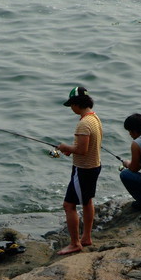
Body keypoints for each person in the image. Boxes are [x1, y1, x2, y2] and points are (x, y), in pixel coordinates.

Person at [56, 86, 102, 255]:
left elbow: (82, 150)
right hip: (94, 165)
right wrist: (71, 149)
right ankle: (86, 237)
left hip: (83, 170)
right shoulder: (94, 118)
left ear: (77, 104)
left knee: (69, 205)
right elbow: (85, 147)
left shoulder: (83, 124)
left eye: (71, 105)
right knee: (87, 201)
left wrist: (64, 147)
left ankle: (75, 243)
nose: (71, 109)